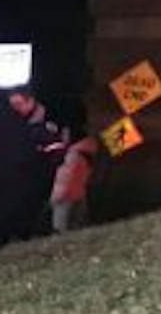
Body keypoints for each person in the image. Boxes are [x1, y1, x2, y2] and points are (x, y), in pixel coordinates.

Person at [8, 85, 69, 239]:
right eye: (13, 105)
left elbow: (57, 151)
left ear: (30, 101)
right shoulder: (15, 120)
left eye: (19, 104)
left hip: (44, 176)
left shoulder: (48, 121)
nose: (16, 109)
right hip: (23, 177)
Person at [51, 134, 99, 233]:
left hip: (66, 195)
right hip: (73, 194)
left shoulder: (72, 155)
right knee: (76, 224)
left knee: (63, 228)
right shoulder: (80, 154)